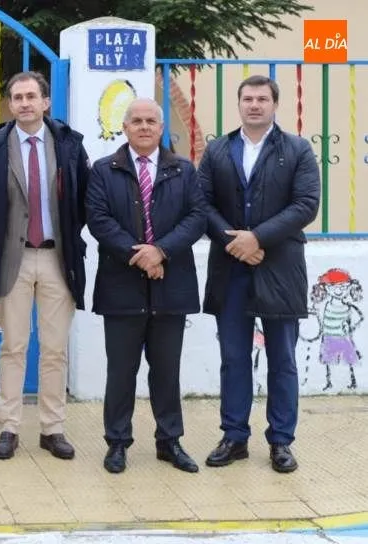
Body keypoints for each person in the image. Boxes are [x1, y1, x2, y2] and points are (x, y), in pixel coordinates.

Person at [0, 71, 90, 461]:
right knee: (13, 346)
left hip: (57, 257)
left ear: (45, 101)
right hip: (12, 259)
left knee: (54, 349)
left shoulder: (68, 145)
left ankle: (53, 429)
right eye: (17, 97)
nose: (24, 103)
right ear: (10, 104)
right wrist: (3, 234)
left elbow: (83, 197)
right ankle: (9, 427)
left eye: (31, 96)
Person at [198, 75, 320, 473]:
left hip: (280, 268)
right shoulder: (218, 149)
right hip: (231, 268)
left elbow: (306, 204)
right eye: (248, 98)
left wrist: (258, 238)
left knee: (281, 358)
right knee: (233, 358)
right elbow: (203, 204)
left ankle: (281, 442)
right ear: (238, 104)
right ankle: (234, 437)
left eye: (262, 99)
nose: (254, 105)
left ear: (274, 104)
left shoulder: (298, 149)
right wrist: (236, 242)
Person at [85, 98, 206, 474]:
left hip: (171, 285)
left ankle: (169, 441)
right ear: (124, 127)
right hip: (122, 285)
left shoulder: (183, 170)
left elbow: (197, 216)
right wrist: (139, 255)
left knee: (166, 370)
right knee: (121, 371)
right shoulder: (105, 170)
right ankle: (117, 442)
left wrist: (161, 252)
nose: (144, 127)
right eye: (136, 120)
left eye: (151, 121)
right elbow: (98, 219)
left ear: (161, 126)